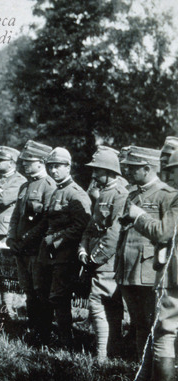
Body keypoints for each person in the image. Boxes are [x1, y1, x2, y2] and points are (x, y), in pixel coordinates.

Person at [128, 150, 178, 381]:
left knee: (165, 335)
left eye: (173, 170)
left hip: (175, 278)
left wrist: (138, 216)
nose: (169, 175)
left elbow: (163, 232)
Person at [116, 146, 175, 365]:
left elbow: (165, 234)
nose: (128, 172)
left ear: (147, 168)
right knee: (139, 323)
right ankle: (143, 369)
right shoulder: (132, 193)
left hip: (151, 270)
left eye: (133, 168)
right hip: (129, 269)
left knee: (155, 324)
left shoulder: (166, 195)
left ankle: (155, 373)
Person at [35, 147, 91, 348]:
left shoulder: (76, 194)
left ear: (69, 167)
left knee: (59, 298)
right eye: (50, 166)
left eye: (57, 166)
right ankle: (44, 338)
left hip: (64, 255)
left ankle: (66, 342)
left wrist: (57, 241)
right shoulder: (56, 190)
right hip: (47, 254)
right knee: (43, 295)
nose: (53, 171)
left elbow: (81, 226)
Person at [78, 147, 127, 361]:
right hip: (96, 257)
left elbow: (114, 233)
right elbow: (91, 226)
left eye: (98, 171)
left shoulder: (120, 195)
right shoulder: (102, 194)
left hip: (108, 260)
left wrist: (94, 258)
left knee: (98, 304)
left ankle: (101, 355)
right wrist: (82, 248)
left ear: (110, 171)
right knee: (110, 307)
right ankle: (111, 351)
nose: (94, 175)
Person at [6, 140, 56, 346]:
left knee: (40, 291)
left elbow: (46, 221)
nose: (25, 165)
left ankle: (43, 334)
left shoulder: (49, 186)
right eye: (24, 161)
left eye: (29, 161)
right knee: (28, 290)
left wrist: (26, 239)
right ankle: (32, 328)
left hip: (37, 250)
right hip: (21, 249)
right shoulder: (25, 185)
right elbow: (16, 216)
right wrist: (11, 237)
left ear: (42, 162)